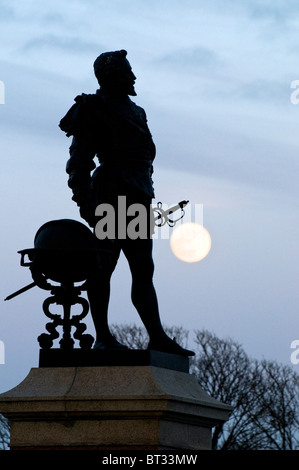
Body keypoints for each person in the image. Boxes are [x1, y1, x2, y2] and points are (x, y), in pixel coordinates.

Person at [59, 50, 194, 357]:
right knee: (104, 266)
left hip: (139, 195)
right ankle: (103, 335)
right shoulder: (93, 110)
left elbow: (145, 157)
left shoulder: (138, 112)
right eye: (126, 72)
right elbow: (78, 163)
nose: (133, 77)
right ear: (108, 77)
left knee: (143, 268)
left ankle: (156, 336)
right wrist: (87, 204)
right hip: (110, 193)